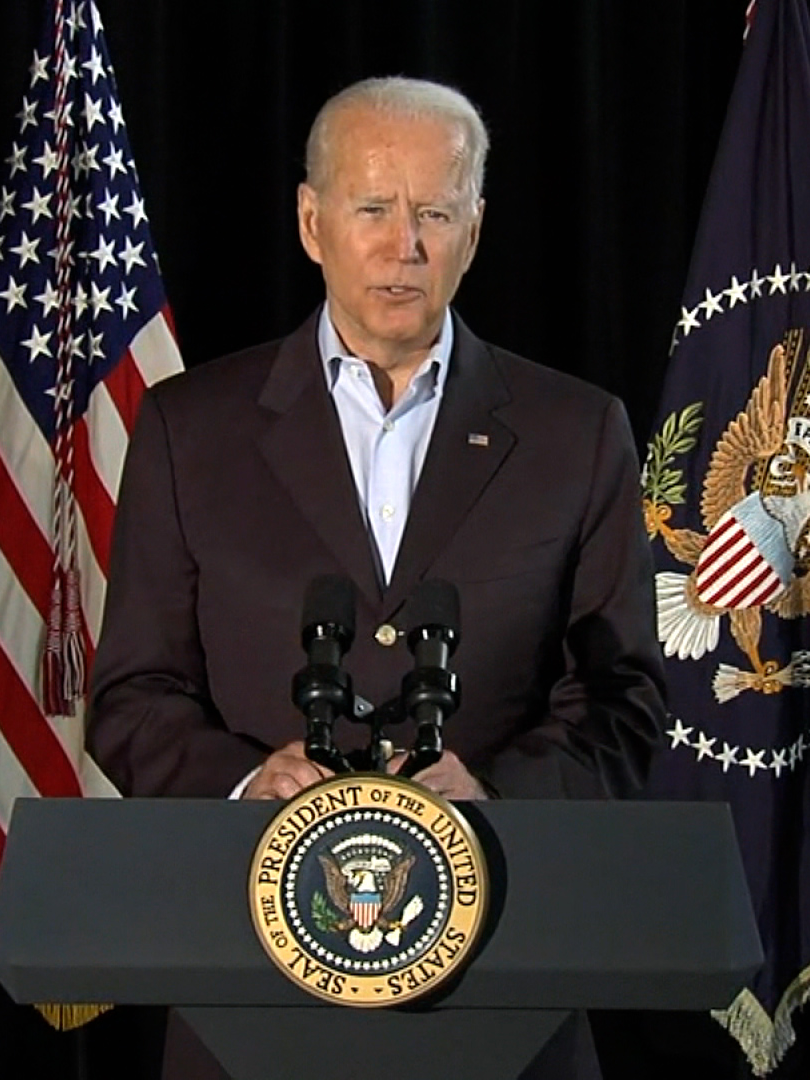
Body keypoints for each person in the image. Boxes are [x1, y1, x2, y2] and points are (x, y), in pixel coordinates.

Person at [86, 76, 666, 1080]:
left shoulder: (577, 432)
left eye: (434, 212)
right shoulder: (193, 431)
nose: (405, 245)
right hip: (253, 986)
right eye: (373, 209)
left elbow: (626, 693)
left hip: (503, 978)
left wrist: (491, 792)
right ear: (312, 223)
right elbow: (134, 694)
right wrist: (245, 781)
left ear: (473, 230)